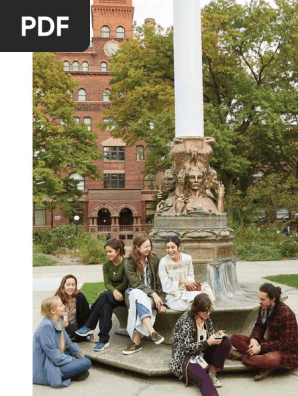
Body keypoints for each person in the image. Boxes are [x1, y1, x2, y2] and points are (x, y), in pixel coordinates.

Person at [230, 283, 298, 381]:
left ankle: (242, 357)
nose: (259, 302)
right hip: (269, 345)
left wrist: (261, 348)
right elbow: (258, 326)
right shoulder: (264, 308)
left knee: (269, 360)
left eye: (262, 299)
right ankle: (258, 360)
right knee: (234, 338)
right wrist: (254, 339)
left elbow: (285, 343)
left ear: (273, 299)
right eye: (259, 298)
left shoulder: (287, 314)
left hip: (284, 352)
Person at [170, 293, 232, 395]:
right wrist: (208, 342)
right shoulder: (185, 321)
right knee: (203, 378)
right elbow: (186, 348)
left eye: (210, 310)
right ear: (197, 309)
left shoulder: (207, 318)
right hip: (186, 357)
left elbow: (209, 336)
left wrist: (217, 336)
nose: (208, 314)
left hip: (201, 353)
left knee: (225, 341)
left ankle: (212, 371)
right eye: (205, 312)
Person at [75, 239, 129, 351]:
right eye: (106, 252)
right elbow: (107, 283)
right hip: (111, 294)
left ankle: (89, 326)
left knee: (103, 296)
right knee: (105, 306)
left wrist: (114, 291)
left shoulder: (126, 263)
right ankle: (103, 340)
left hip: (124, 294)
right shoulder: (106, 265)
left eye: (110, 251)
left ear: (118, 250)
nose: (108, 254)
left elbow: (125, 283)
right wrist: (113, 291)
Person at [33, 296, 92, 387]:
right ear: (52, 311)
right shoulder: (46, 326)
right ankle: (64, 375)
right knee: (87, 362)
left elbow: (68, 342)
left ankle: (72, 373)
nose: (64, 306)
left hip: (57, 359)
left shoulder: (58, 320)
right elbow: (53, 355)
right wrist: (73, 360)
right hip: (48, 366)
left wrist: (80, 355)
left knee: (82, 360)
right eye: (61, 306)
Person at [123, 234, 166, 354]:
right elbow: (135, 283)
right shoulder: (129, 262)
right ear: (137, 247)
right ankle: (152, 331)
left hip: (150, 297)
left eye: (149, 246)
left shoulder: (154, 259)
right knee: (137, 293)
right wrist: (153, 294)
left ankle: (136, 342)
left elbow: (159, 282)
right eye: (145, 246)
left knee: (140, 303)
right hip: (134, 293)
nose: (148, 249)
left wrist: (160, 300)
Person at [159, 235, 215, 311]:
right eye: (167, 248)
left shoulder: (187, 258)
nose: (170, 250)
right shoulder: (163, 262)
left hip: (188, 290)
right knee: (192, 305)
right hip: (174, 294)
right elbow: (165, 286)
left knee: (203, 296)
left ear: (178, 248)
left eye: (172, 247)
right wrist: (181, 282)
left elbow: (190, 275)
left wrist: (188, 284)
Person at [55, 274, 90, 342]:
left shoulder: (80, 297)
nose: (70, 287)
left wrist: (91, 336)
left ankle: (70, 338)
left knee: (80, 335)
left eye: (73, 285)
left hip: (77, 328)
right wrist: (64, 315)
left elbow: (87, 316)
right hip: (63, 327)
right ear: (63, 286)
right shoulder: (58, 297)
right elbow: (53, 315)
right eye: (68, 285)